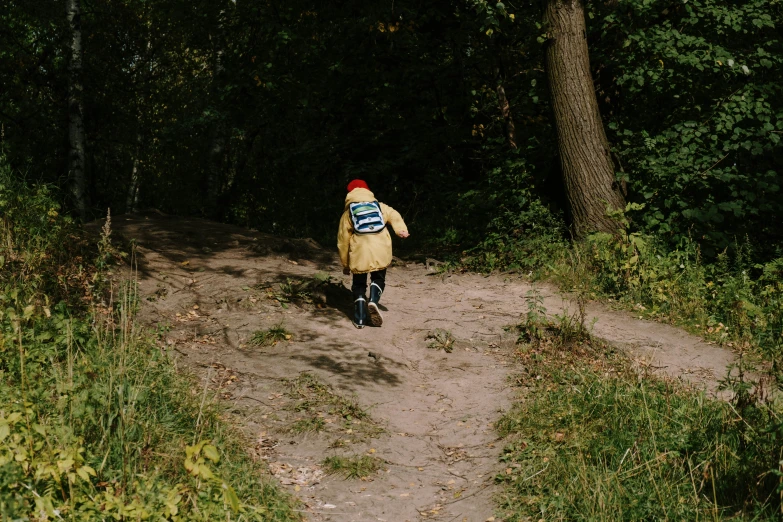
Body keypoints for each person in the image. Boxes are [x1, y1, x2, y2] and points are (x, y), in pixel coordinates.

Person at [337, 179, 409, 328]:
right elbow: (394, 215)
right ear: (368, 191)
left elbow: (343, 240)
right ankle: (373, 301)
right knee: (379, 278)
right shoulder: (380, 206)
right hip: (381, 248)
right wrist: (401, 230)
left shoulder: (348, 214)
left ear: (350, 194)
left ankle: (360, 319)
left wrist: (345, 264)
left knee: (358, 285)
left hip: (360, 251)